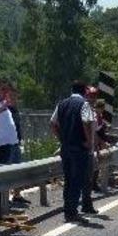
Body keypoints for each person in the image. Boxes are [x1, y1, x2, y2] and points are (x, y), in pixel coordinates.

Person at [51, 80, 96, 222]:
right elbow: (86, 123)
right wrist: (89, 142)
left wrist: (62, 139)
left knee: (69, 180)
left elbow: (52, 123)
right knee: (77, 180)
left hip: (66, 147)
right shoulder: (85, 104)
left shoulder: (61, 104)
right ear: (84, 91)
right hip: (80, 147)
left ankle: (67, 210)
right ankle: (72, 212)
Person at [5, 84, 30, 204]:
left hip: (16, 143)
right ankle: (3, 199)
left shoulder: (15, 109)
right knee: (7, 172)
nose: (14, 98)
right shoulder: (4, 109)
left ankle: (17, 195)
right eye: (12, 96)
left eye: (15, 96)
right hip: (7, 145)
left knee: (18, 171)